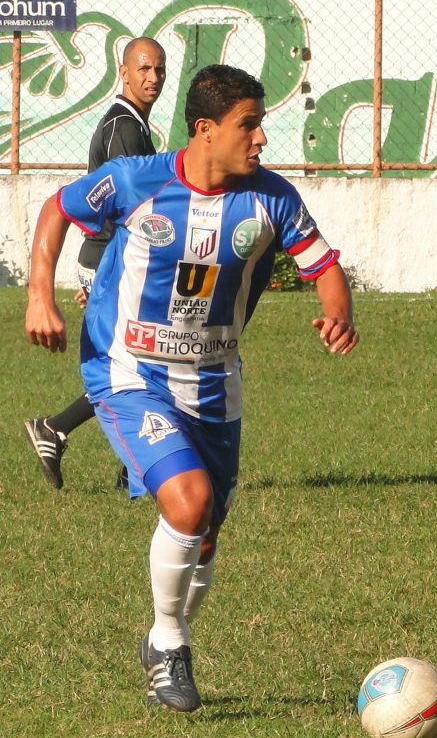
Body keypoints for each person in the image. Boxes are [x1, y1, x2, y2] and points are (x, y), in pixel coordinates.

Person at [24, 63, 359, 711]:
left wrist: (338, 312)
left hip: (214, 381)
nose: (261, 139)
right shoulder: (136, 180)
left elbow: (323, 265)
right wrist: (40, 295)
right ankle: (171, 644)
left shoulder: (272, 198)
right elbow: (56, 209)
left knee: (205, 532)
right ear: (206, 129)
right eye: (250, 125)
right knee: (187, 500)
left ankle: (164, 638)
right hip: (128, 371)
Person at [23, 36, 167, 490]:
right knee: (134, 364)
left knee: (144, 359)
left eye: (160, 70)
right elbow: (131, 204)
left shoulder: (133, 124)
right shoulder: (123, 127)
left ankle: (131, 465)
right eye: (143, 69)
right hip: (112, 259)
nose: (153, 78)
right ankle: (58, 430)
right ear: (123, 73)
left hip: (111, 259)